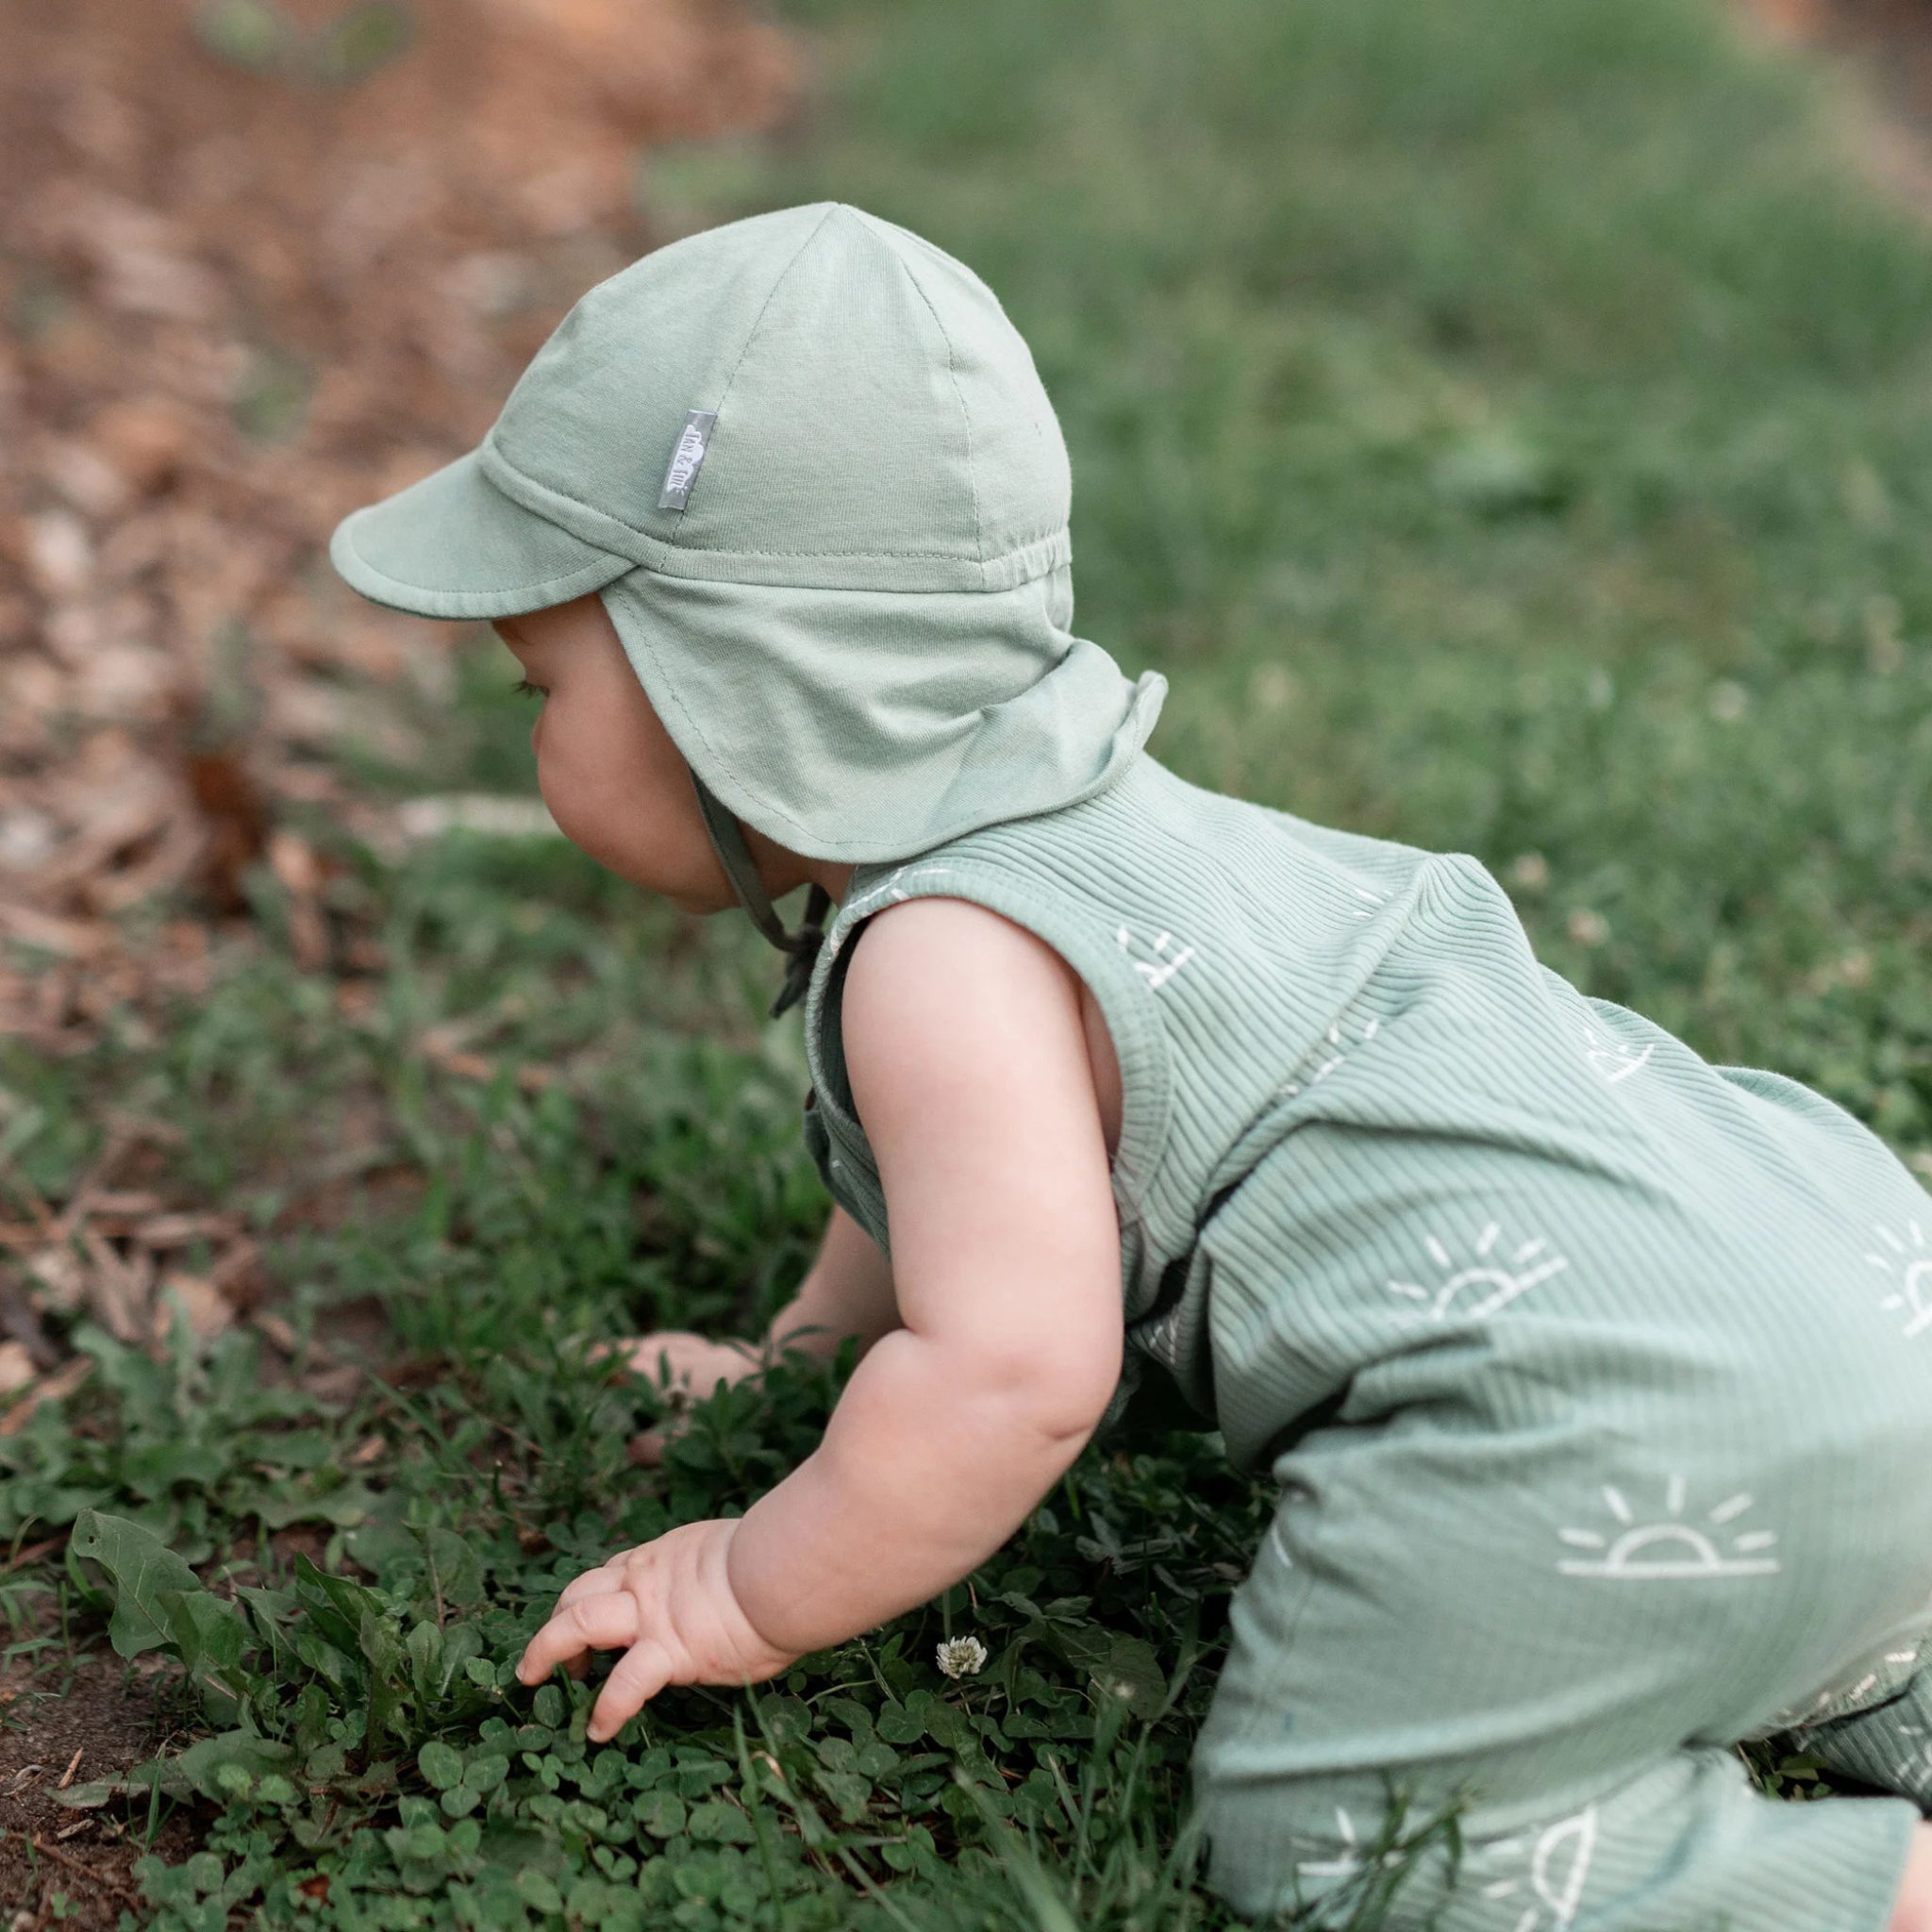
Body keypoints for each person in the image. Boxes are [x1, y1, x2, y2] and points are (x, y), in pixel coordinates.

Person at [331, 202, 1932, 1929]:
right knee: (1844, 1582)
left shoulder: (939, 952)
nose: (533, 730)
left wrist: (739, 1586)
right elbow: (958, 1187)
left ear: (723, 686)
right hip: (1851, 1301)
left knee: (1336, 1840)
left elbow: (1015, 1375)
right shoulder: (1103, 818)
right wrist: (805, 1357)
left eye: (541, 692)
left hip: (1605, 1427)